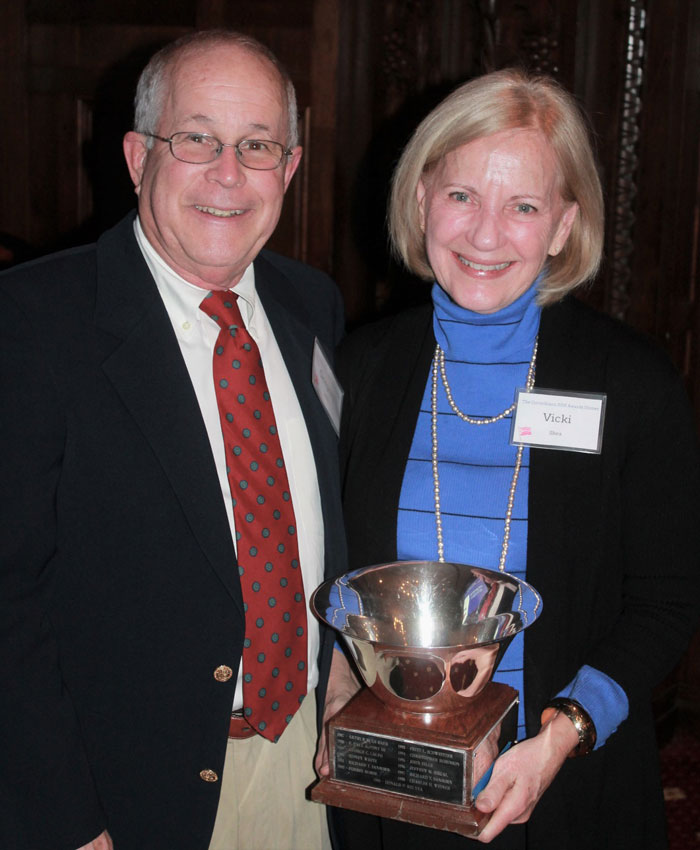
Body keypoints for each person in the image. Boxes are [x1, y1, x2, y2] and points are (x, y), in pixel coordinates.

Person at [325, 69, 700, 849]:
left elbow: (667, 600)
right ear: (422, 196)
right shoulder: (361, 369)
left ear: (564, 225)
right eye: (462, 195)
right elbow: (332, 579)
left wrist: (562, 733)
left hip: (565, 785)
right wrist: (336, 703)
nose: (485, 234)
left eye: (523, 206)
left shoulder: (630, 383)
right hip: (392, 788)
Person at [0, 29, 347, 850]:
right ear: (135, 156)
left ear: (290, 169)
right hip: (119, 795)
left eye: (257, 145)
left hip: (300, 759)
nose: (228, 173)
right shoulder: (32, 325)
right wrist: (67, 824)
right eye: (195, 138)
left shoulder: (311, 308)